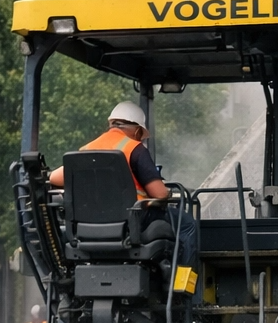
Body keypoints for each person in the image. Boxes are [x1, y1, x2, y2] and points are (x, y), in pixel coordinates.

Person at [48, 102, 198, 282]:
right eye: (141, 136)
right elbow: (160, 194)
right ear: (137, 130)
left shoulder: (85, 151)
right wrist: (164, 191)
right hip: (131, 223)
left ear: (111, 124)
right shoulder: (135, 149)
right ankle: (181, 286)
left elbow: (54, 178)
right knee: (187, 225)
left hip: (88, 227)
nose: (141, 139)